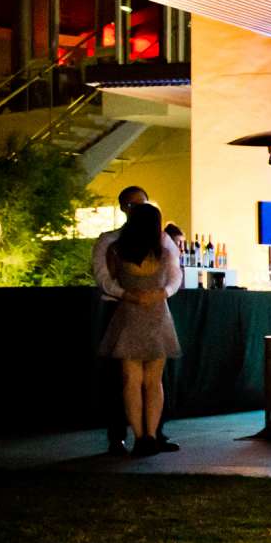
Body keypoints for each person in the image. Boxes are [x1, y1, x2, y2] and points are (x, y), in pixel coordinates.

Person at [91, 184, 176, 453]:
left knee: (141, 379)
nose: (136, 209)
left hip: (146, 311)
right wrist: (128, 294)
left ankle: (150, 435)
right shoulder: (110, 242)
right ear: (123, 208)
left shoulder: (159, 242)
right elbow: (103, 279)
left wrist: (162, 292)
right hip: (122, 310)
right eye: (132, 205)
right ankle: (125, 436)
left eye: (140, 204)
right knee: (127, 380)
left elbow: (176, 274)